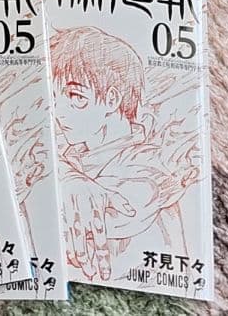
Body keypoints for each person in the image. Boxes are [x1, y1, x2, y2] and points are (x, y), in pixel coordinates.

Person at [50, 27, 201, 283]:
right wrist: (66, 176)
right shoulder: (70, 158)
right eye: (54, 97)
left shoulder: (152, 162)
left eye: (75, 96)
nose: (58, 110)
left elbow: (117, 215)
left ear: (112, 99)